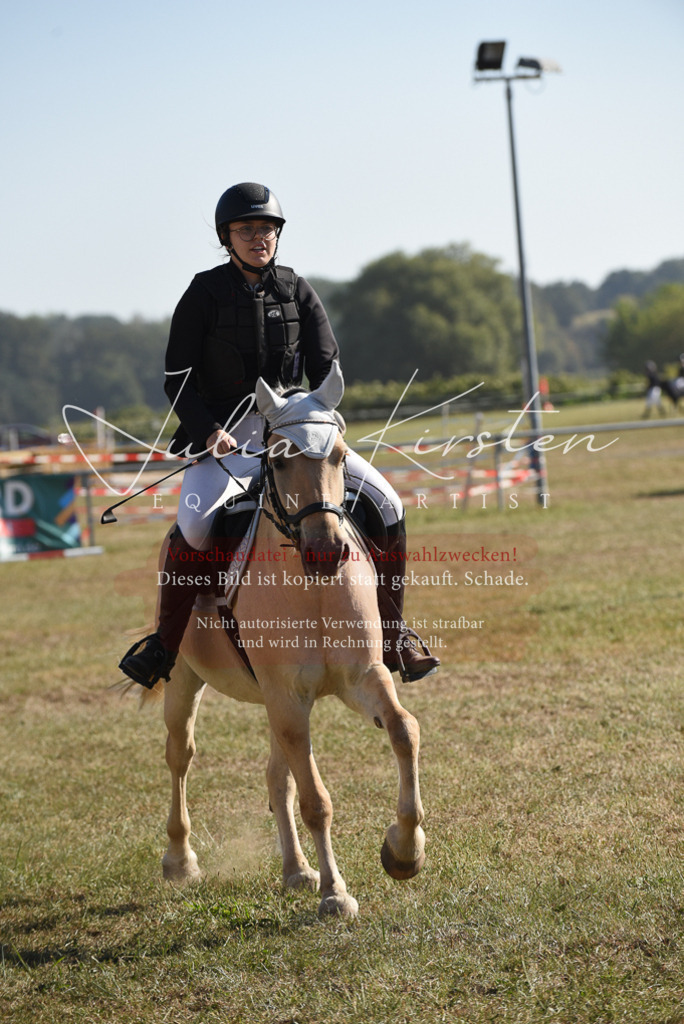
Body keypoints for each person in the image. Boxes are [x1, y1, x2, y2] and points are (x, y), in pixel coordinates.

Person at [119, 182, 439, 688]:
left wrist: (321, 414)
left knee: (389, 503)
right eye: (246, 230)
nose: (257, 238)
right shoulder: (202, 294)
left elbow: (325, 363)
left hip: (295, 431)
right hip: (227, 438)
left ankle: (396, 633)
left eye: (266, 229)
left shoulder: (297, 289)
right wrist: (209, 433)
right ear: (227, 237)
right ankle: (164, 643)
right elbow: (175, 380)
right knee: (196, 522)